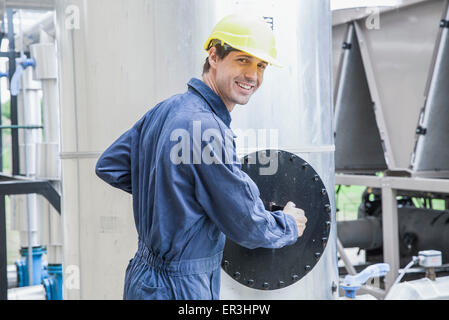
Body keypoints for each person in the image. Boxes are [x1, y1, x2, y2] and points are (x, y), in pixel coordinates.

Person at [95, 14, 307, 300]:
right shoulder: (207, 129)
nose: (253, 76)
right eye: (243, 60)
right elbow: (247, 223)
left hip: (143, 279)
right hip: (180, 287)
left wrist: (173, 196)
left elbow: (110, 166)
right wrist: (288, 224)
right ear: (214, 56)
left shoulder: (167, 109)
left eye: (261, 66)